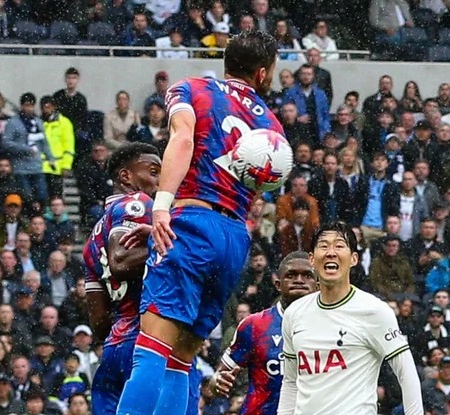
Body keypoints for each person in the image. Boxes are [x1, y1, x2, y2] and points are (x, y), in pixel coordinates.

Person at [116, 31, 283, 415]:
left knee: (152, 350)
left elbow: (183, 141)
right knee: (182, 358)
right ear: (262, 73)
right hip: (234, 237)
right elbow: (258, 185)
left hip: (190, 223)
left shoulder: (192, 89)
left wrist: (162, 208)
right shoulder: (272, 123)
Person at [82, 143, 199, 415]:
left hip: (115, 347)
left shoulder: (91, 240)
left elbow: (98, 322)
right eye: (155, 172)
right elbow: (121, 260)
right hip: (152, 341)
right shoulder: (138, 203)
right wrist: (178, 246)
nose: (162, 180)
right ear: (126, 177)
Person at [277, 221, 423, 415]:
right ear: (312, 259)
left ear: (354, 259)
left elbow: (406, 373)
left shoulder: (374, 311)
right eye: (323, 246)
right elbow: (290, 381)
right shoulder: (294, 313)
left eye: (339, 245)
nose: (330, 252)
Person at [211, 251, 318, 414]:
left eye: (307, 275)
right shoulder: (254, 325)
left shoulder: (334, 326)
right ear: (278, 284)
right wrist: (218, 382)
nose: (299, 280)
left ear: (318, 285)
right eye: (291, 275)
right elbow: (219, 377)